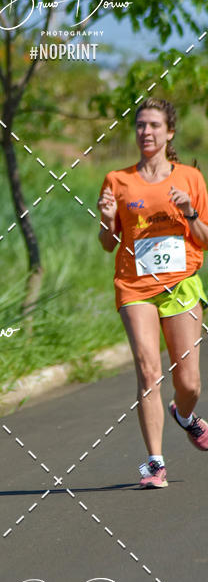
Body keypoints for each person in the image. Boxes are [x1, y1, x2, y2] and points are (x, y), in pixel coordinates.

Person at [98, 97, 208, 488]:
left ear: (169, 132)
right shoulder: (118, 180)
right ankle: (155, 464)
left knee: (190, 383)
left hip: (180, 286)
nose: (146, 132)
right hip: (136, 287)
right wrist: (109, 222)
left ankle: (186, 416)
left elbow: (205, 240)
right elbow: (109, 244)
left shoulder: (190, 180)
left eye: (154, 126)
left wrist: (190, 213)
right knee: (148, 371)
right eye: (141, 125)